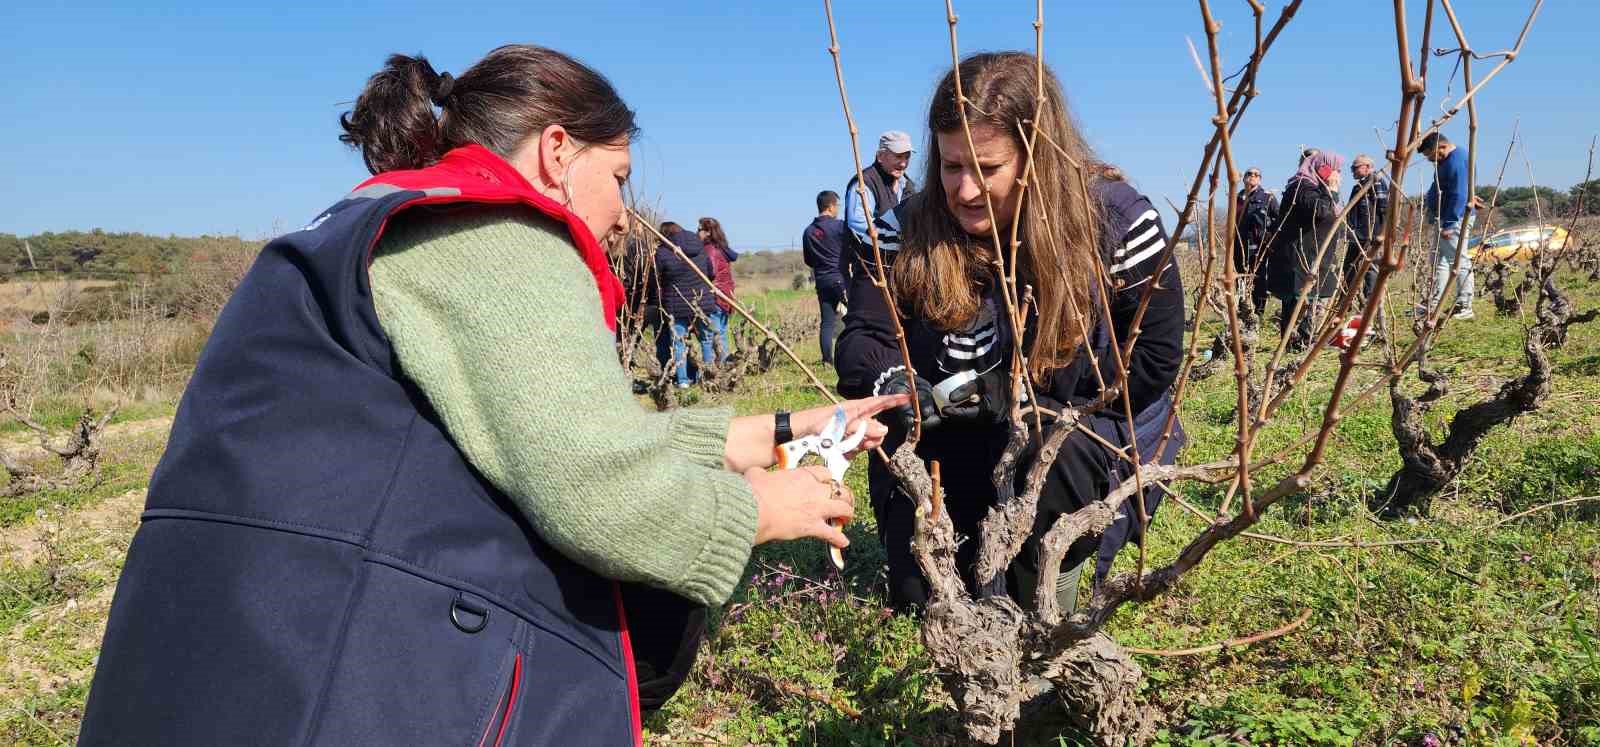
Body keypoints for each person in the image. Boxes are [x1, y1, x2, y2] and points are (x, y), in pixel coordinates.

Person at [78, 45, 903, 746]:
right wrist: (760, 510)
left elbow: (541, 433)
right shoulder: (500, 237)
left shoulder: (394, 215)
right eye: (617, 175)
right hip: (340, 680)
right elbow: (596, 484)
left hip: (234, 652)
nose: (623, 214)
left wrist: (784, 427)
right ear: (556, 152)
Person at [836, 52, 1186, 614]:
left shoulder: (1115, 222)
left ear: (1037, 157)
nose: (966, 190)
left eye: (987, 168)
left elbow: (1152, 363)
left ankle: (1058, 585)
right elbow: (861, 337)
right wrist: (899, 384)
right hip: (953, 444)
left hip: (1077, 444)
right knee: (921, 599)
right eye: (952, 167)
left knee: (1052, 482)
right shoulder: (906, 229)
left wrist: (1020, 397)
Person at [843, 130, 917, 277]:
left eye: (907, 157)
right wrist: (897, 239)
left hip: (902, 270)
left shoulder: (907, 184)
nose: (903, 163)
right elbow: (859, 225)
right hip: (872, 272)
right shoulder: (865, 184)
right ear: (880, 156)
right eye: (898, 156)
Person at [655, 221, 720, 386]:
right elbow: (710, 272)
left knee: (678, 343)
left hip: (676, 304)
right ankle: (708, 378)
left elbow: (656, 278)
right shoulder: (700, 247)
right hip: (702, 300)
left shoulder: (662, 252)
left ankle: (683, 381)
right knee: (706, 340)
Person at [1420, 132, 1476, 319]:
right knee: (1439, 261)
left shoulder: (1457, 160)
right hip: (1443, 218)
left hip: (1454, 219)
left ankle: (1464, 305)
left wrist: (1450, 223)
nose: (1431, 161)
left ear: (1440, 147)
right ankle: (1435, 302)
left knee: (1458, 260)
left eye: (1431, 156)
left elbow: (1460, 193)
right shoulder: (1446, 161)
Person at [803, 190, 850, 364]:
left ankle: (826, 360)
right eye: (837, 205)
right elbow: (851, 249)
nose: (837, 209)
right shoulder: (839, 226)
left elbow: (808, 260)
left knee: (827, 323)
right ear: (830, 206)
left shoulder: (808, 232)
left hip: (821, 281)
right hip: (840, 279)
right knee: (855, 316)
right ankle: (852, 354)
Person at [1234, 165, 1279, 326]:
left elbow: (1279, 219)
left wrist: (1267, 237)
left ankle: (1258, 312)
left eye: (1256, 174)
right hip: (1238, 245)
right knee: (1239, 278)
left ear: (1260, 179)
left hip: (1257, 245)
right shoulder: (1237, 198)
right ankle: (1243, 310)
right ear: (1244, 177)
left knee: (1258, 278)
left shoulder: (1268, 198)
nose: (1252, 176)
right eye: (1249, 174)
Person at [1345, 154, 1390, 303]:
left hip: (1370, 234)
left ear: (1368, 167)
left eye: (1355, 167)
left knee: (1370, 268)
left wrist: (1382, 234)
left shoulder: (1376, 182)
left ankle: (1369, 301)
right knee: (1349, 266)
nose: (1352, 171)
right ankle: (1346, 299)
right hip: (1356, 234)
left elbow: (1384, 209)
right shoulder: (1357, 187)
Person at [697, 217, 738, 362]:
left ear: (707, 232)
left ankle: (710, 370)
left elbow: (711, 272)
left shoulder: (709, 250)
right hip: (726, 297)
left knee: (708, 337)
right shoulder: (722, 249)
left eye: (699, 229)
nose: (698, 233)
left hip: (714, 297)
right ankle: (724, 366)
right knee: (721, 334)